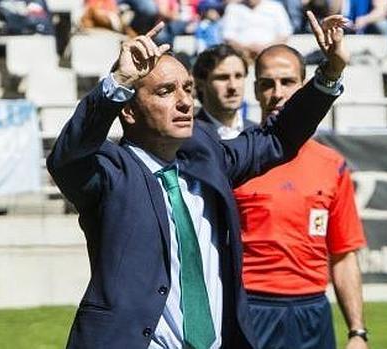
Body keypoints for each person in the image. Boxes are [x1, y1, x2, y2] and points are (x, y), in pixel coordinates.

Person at [47, 11, 349, 349]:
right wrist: (118, 82)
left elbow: (276, 138)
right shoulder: (109, 171)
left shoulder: (206, 157)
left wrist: (330, 71)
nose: (184, 102)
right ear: (129, 110)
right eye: (165, 91)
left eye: (188, 89)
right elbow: (66, 157)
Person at [232, 44, 368, 349]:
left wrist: (357, 331)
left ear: (305, 86)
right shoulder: (235, 159)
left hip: (312, 312)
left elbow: (343, 254)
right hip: (249, 307)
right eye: (267, 83)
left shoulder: (332, 165)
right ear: (254, 91)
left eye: (288, 82)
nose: (277, 92)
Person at [192, 44, 254, 140]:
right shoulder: (187, 136)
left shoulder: (257, 133)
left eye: (238, 76)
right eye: (223, 78)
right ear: (200, 84)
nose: (233, 86)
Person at [221, 0, 293, 60]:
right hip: (243, 56)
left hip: (272, 55)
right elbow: (228, 37)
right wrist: (248, 48)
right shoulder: (233, 8)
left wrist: (265, 48)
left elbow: (284, 34)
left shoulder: (275, 7)